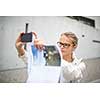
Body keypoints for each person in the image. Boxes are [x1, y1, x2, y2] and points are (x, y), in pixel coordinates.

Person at [15, 32, 86, 83]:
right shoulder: (52, 57)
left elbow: (70, 74)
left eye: (66, 45)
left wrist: (48, 52)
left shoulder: (80, 65)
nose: (61, 47)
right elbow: (33, 62)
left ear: (74, 47)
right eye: (60, 43)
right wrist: (19, 48)